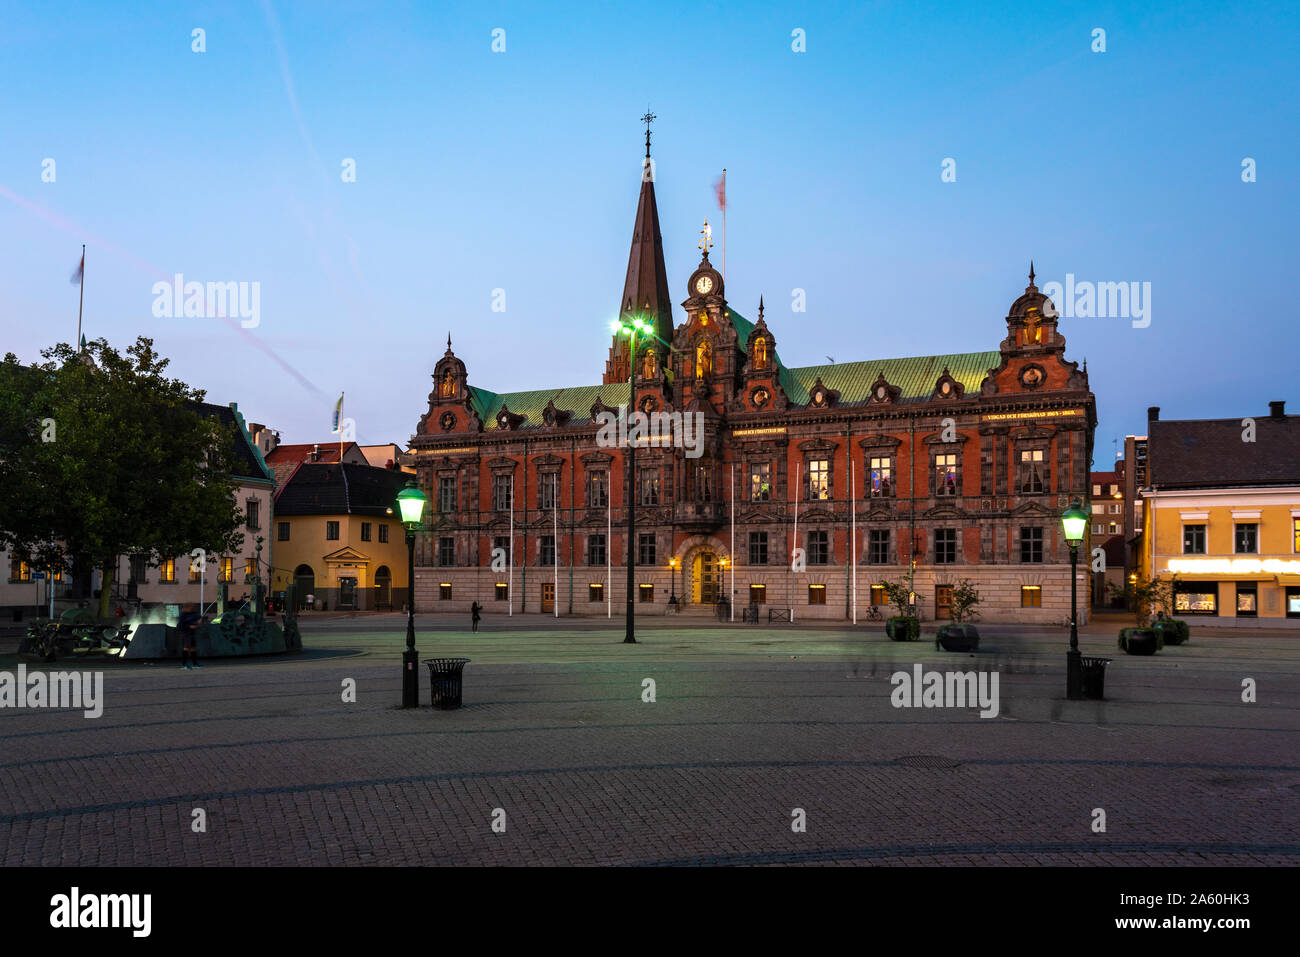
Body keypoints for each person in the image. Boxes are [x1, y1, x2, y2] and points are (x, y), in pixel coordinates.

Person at [177, 603, 202, 670]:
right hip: (186, 634)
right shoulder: (183, 615)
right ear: (187, 607)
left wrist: (198, 621)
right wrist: (189, 626)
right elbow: (179, 626)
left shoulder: (193, 613)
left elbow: (198, 619)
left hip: (192, 633)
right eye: (190, 607)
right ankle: (184, 664)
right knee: (186, 648)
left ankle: (195, 664)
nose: (192, 608)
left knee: (193, 648)